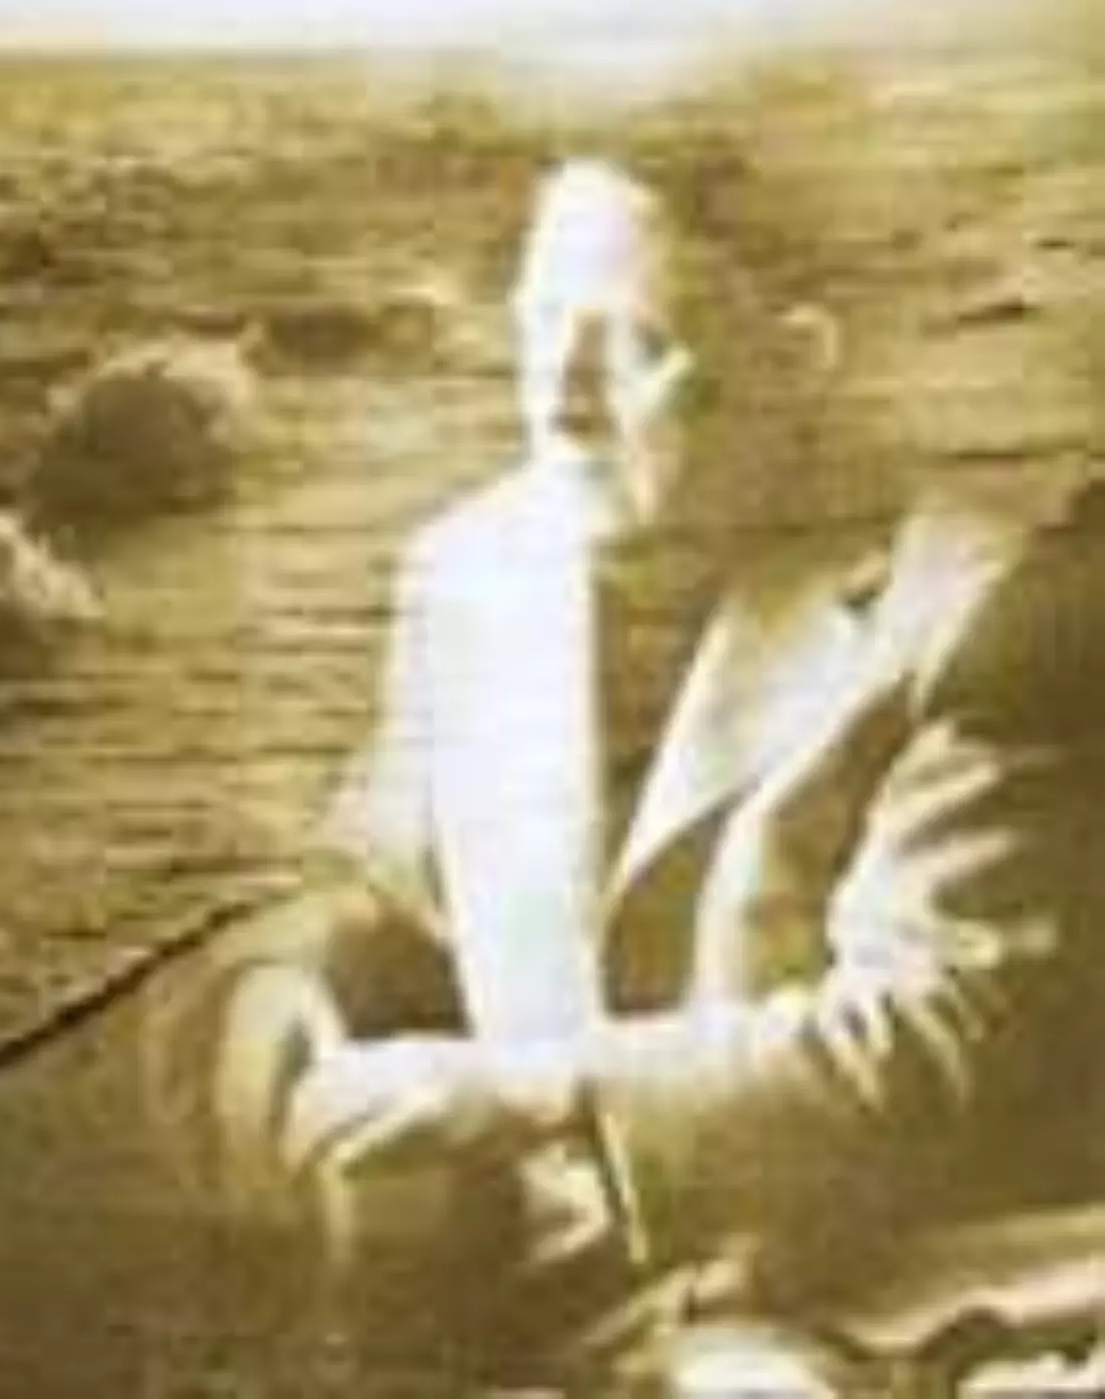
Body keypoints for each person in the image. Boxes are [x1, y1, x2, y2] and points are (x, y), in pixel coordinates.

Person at [149, 151, 1105, 1364]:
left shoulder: (988, 601)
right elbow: (386, 883)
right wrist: (287, 978)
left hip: (913, 1290)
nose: (557, 399)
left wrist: (533, 1091)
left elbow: (933, 1043)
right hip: (582, 1299)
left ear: (795, 361)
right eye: (537, 324)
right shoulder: (470, 568)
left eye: (631, 342)